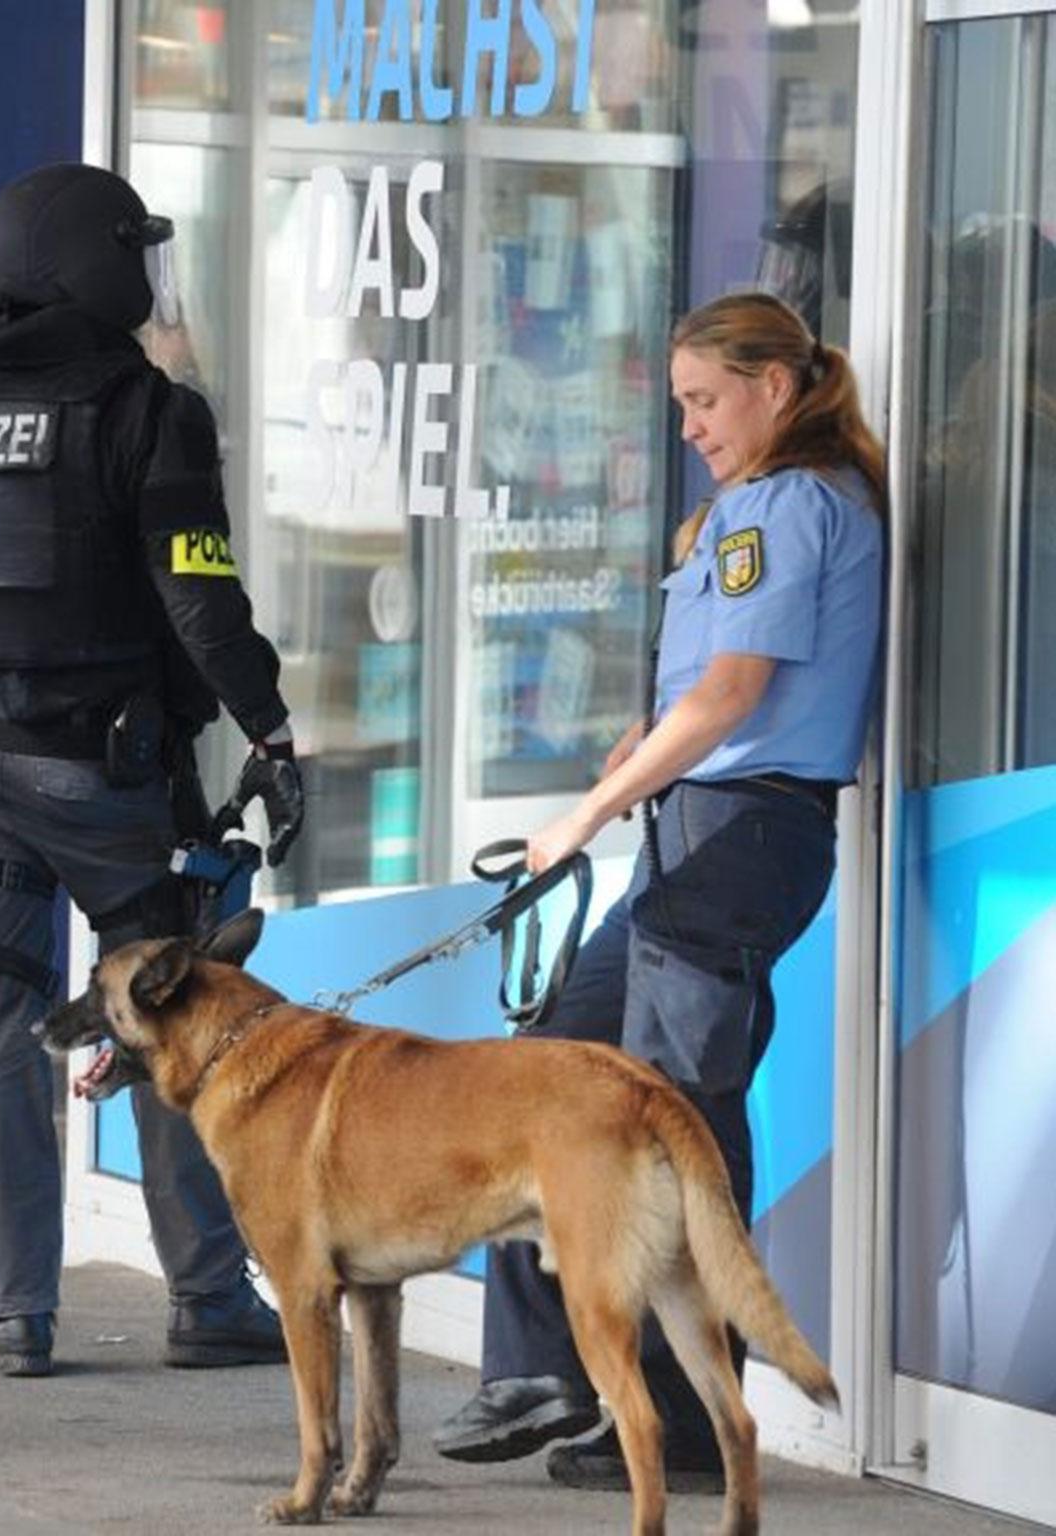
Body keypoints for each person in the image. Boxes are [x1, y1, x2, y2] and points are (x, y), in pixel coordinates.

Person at [0, 162, 304, 1378]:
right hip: (105, 773)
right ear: (98, 267)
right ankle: (205, 1296)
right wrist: (269, 729)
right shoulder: (147, 409)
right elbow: (198, 595)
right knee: (168, 1013)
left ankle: (12, 1313)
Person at [432, 291, 886, 1490]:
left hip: (740, 836)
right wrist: (635, 760)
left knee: (673, 1118)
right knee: (557, 1070)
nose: (687, 425)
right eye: (678, 403)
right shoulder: (746, 509)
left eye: (702, 400)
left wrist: (584, 814)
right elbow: (700, 690)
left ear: (773, 388)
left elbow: (734, 697)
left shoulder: (785, 505)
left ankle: (687, 1425)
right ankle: (542, 1370)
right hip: (699, 835)